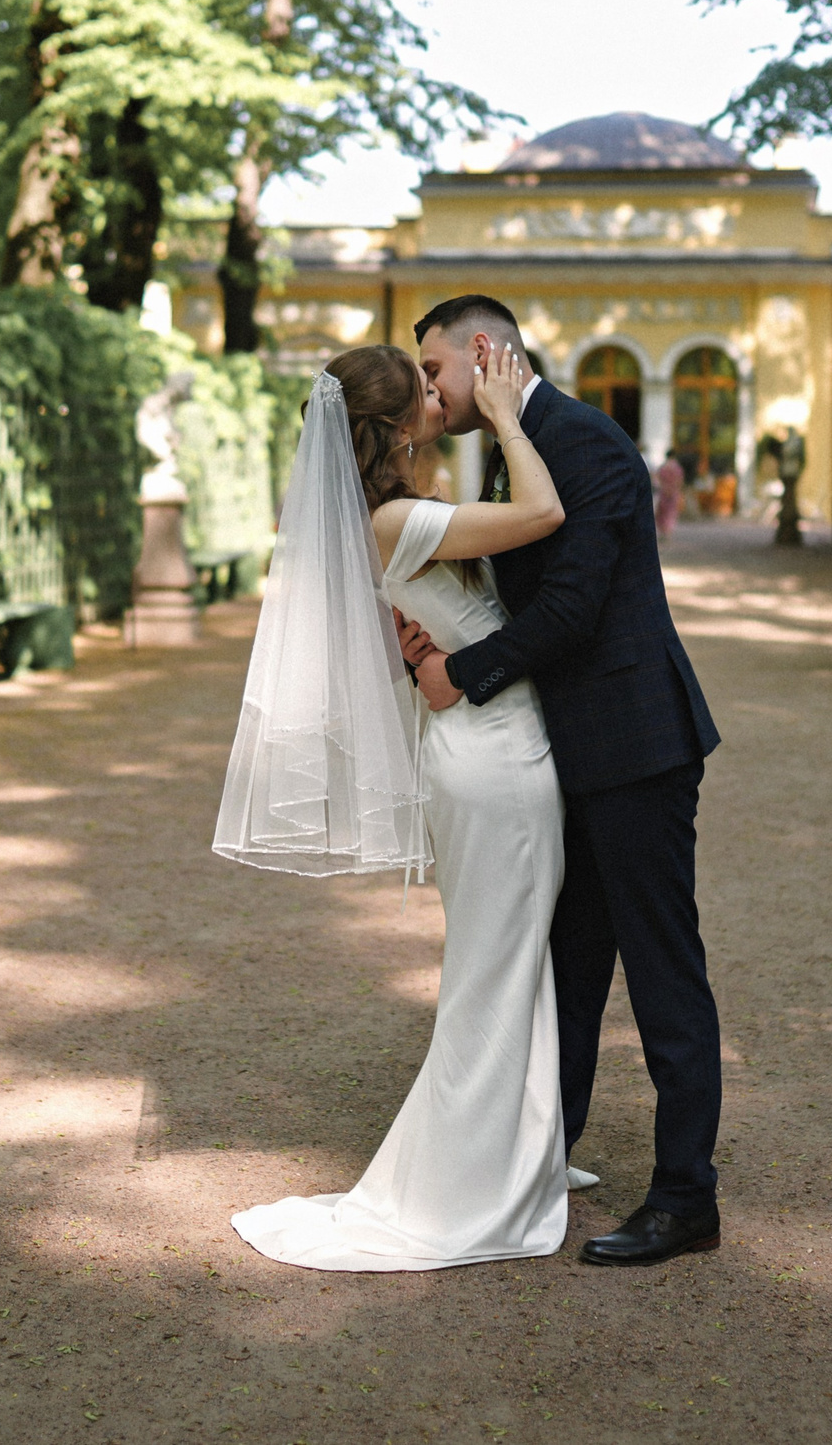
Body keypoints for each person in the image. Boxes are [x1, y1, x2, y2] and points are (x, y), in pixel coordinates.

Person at [213, 340, 584, 1271]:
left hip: (485, 750)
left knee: (505, 964)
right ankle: (462, 1186)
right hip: (495, 762)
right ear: (391, 422)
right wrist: (506, 414)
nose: (441, 389)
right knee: (492, 976)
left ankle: (514, 1154)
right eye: (424, 384)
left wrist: (426, 653)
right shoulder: (396, 519)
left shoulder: (386, 518)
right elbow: (543, 512)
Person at [404, 294, 725, 1269]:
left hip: (635, 748)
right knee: (569, 969)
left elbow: (578, 608)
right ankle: (543, 1150)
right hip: (575, 755)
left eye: (434, 369)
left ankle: (685, 1199)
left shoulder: (580, 442)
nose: (428, 390)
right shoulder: (519, 444)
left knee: (662, 972)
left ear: (484, 353)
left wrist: (460, 674)